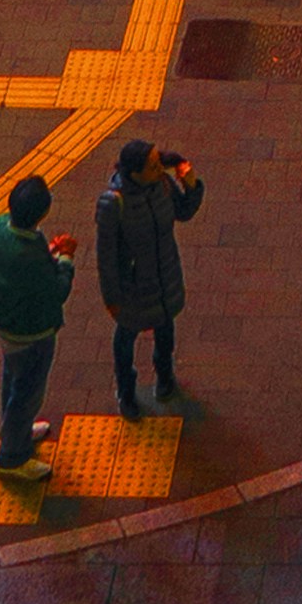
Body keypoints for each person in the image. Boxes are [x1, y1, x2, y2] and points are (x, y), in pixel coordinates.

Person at [93, 135, 202, 419]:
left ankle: (164, 377)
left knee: (165, 326)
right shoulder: (112, 203)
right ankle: (126, 392)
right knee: (126, 335)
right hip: (133, 285)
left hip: (165, 273)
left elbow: (184, 211)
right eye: (153, 166)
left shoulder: (162, 185)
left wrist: (191, 186)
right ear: (134, 172)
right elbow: (105, 256)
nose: (159, 168)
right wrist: (111, 297)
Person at [0, 174, 75, 474]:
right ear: (42, 213)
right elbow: (56, 291)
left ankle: (14, 432)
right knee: (27, 392)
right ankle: (12, 457)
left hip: (4, 320)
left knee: (13, 380)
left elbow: (19, 269)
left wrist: (48, 257)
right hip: (31, 332)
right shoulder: (30, 254)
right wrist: (66, 260)